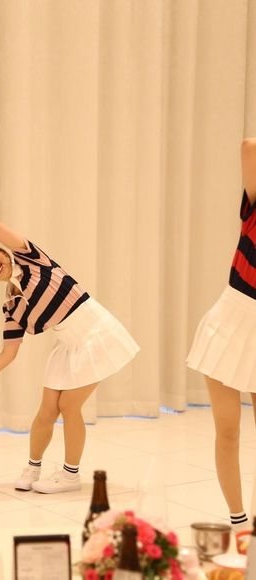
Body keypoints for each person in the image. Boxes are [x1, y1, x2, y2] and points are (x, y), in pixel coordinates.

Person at [0, 200, 139, 494]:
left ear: (1, 251)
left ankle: (70, 476)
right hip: (68, 344)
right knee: (47, 410)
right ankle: (33, 467)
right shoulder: (12, 306)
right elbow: (7, 354)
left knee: (69, 406)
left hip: (95, 331)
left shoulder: (31, 259)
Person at [187, 139, 256, 532]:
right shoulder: (254, 208)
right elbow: (249, 146)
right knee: (228, 430)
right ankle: (238, 521)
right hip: (231, 320)